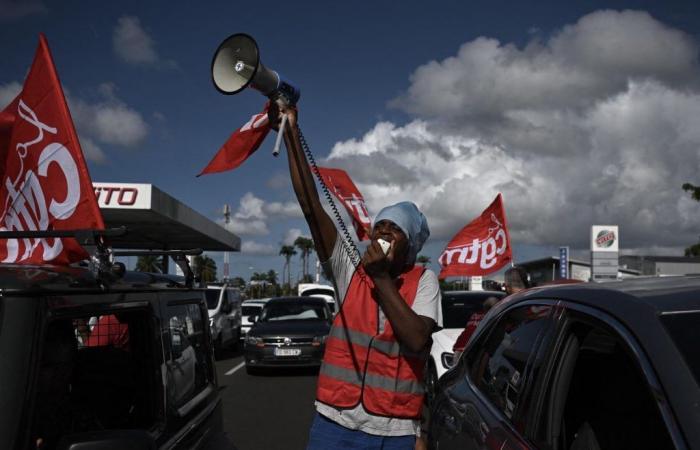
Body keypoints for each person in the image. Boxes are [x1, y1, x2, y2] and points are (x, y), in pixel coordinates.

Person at [272, 104, 442, 449]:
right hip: (335, 421)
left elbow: (416, 340)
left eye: (395, 229)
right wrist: (291, 135)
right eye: (380, 225)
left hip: (394, 431)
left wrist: (380, 278)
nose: (384, 231)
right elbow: (310, 206)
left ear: (408, 247)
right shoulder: (350, 268)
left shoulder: (424, 281)